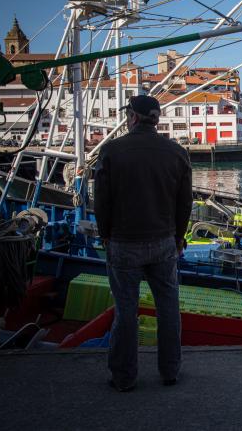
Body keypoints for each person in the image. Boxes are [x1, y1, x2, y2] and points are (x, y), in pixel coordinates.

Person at [94, 95, 192, 392]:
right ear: (157, 119)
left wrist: (106, 235)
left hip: (123, 243)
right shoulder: (177, 153)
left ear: (131, 117)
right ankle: (170, 371)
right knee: (168, 308)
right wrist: (178, 237)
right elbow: (184, 202)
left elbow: (101, 201)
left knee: (126, 311)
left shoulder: (111, 151)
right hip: (163, 242)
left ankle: (124, 377)